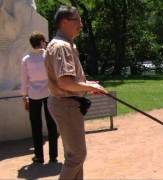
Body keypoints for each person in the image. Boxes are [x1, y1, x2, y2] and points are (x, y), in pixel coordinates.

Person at [45, 5, 108, 179]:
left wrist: (87, 84)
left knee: (74, 156)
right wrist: (89, 87)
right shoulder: (62, 46)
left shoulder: (63, 44)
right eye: (77, 20)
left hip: (67, 104)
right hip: (66, 105)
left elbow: (70, 81)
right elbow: (65, 82)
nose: (81, 23)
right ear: (65, 22)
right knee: (77, 156)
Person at [20, 32, 58, 164]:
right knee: (52, 124)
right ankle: (53, 156)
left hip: (33, 95)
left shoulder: (26, 59)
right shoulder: (48, 55)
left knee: (36, 126)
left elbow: (24, 80)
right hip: (49, 92)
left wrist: (24, 97)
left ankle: (39, 156)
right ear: (42, 41)